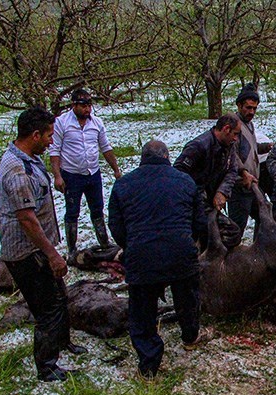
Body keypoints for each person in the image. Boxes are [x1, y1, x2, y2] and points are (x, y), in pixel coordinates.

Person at [0, 107, 86, 383]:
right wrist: (52, 255)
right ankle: (47, 367)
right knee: (46, 308)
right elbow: (27, 219)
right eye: (48, 135)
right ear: (35, 135)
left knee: (59, 297)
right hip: (27, 253)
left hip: (38, 248)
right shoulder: (18, 171)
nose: (51, 141)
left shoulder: (28, 158)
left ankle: (61, 342)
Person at [108, 140, 210, 380]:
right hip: (180, 252)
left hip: (142, 255)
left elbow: (116, 226)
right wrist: (190, 241)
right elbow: (200, 222)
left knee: (142, 311)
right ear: (167, 157)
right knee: (187, 298)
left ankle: (149, 363)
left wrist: (130, 245)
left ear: (142, 159)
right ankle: (190, 336)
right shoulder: (185, 181)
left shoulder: (123, 185)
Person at [49, 89, 122, 257]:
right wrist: (57, 176)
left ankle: (103, 241)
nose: (87, 109)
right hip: (71, 174)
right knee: (72, 211)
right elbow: (55, 151)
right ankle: (72, 247)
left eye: (89, 105)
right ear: (74, 105)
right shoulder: (61, 123)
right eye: (83, 106)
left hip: (93, 173)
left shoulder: (96, 123)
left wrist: (116, 170)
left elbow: (106, 147)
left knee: (97, 208)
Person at [229, 83, 274, 239]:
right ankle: (227, 259)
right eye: (248, 108)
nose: (251, 112)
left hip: (252, 184)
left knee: (264, 214)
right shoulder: (234, 125)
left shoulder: (248, 124)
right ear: (239, 105)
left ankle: (257, 250)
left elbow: (250, 149)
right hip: (240, 185)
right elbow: (231, 155)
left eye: (254, 108)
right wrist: (243, 173)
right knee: (236, 228)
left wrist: (267, 147)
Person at [173, 113, 241, 214]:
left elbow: (232, 170)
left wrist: (222, 192)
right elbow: (178, 173)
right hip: (191, 205)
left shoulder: (229, 145)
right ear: (226, 129)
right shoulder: (198, 146)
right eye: (235, 134)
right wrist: (197, 195)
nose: (236, 138)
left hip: (210, 202)